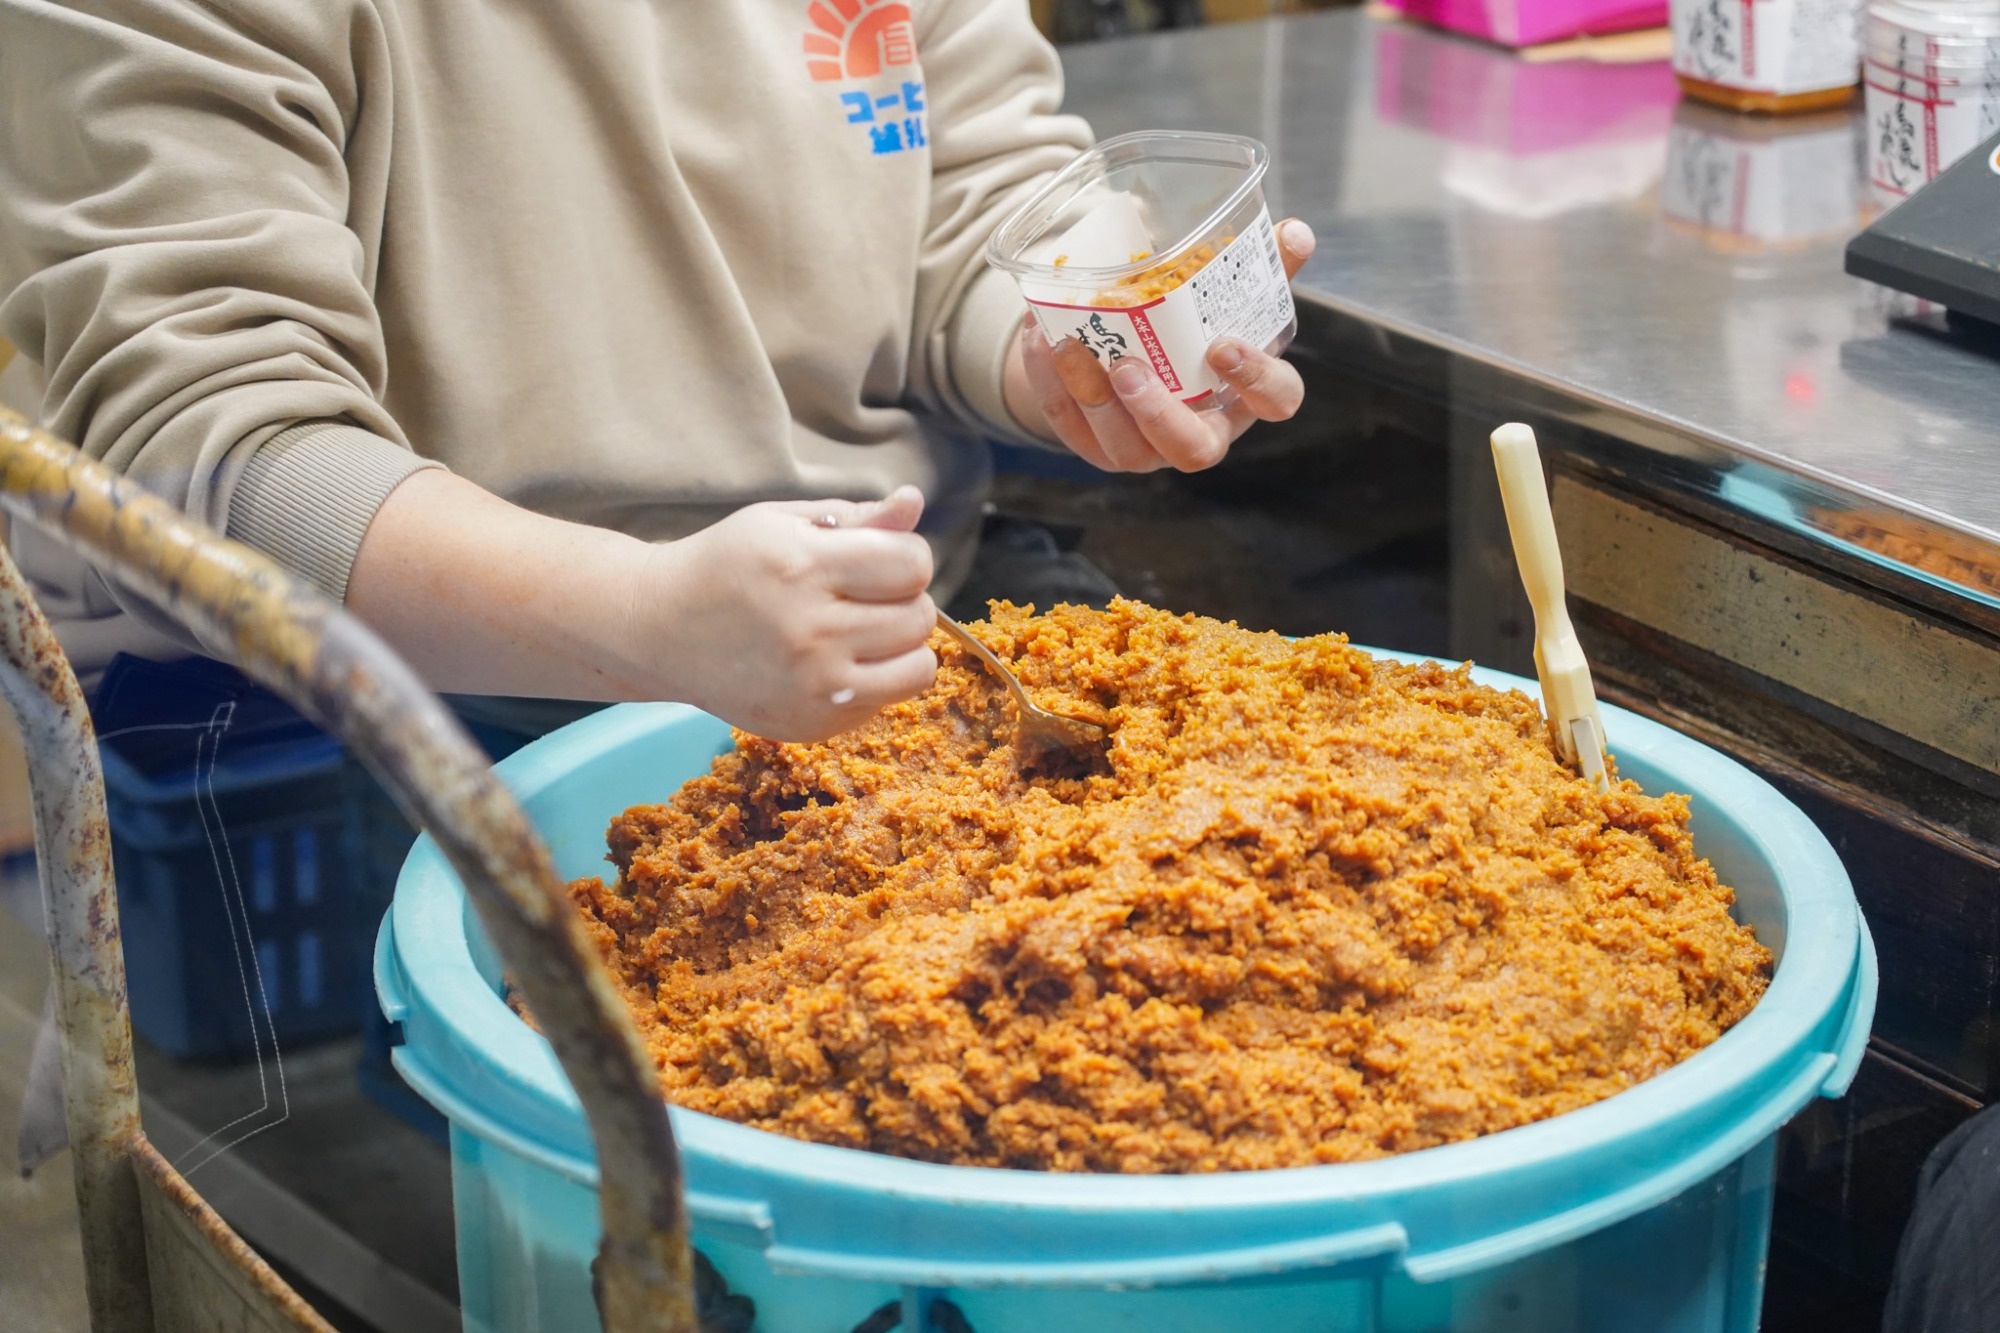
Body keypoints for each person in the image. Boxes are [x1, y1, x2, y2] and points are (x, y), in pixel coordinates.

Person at [0, 0, 1312, 741]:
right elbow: (201, 448)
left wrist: (1068, 345)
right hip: (405, 718)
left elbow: (968, 202)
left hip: (902, 626)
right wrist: (646, 618)